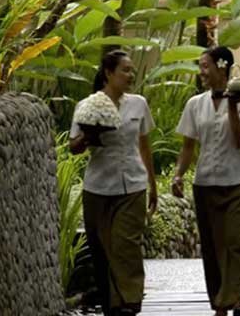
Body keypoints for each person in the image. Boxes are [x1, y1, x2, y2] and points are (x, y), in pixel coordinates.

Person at [171, 46, 240, 316]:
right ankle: (223, 303)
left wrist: (232, 106)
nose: (201, 72)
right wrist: (178, 174)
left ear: (222, 67)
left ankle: (236, 299)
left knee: (237, 241)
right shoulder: (195, 104)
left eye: (205, 66)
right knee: (213, 246)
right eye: (200, 66)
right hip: (206, 183)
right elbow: (188, 146)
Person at [70, 50, 157, 316]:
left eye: (132, 71)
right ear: (109, 73)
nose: (131, 75)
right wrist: (90, 133)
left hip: (133, 184)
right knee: (101, 249)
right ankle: (112, 304)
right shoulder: (86, 105)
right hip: (98, 187)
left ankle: (129, 302)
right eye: (125, 70)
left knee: (126, 243)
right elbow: (74, 147)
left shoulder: (139, 104)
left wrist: (153, 184)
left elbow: (144, 146)